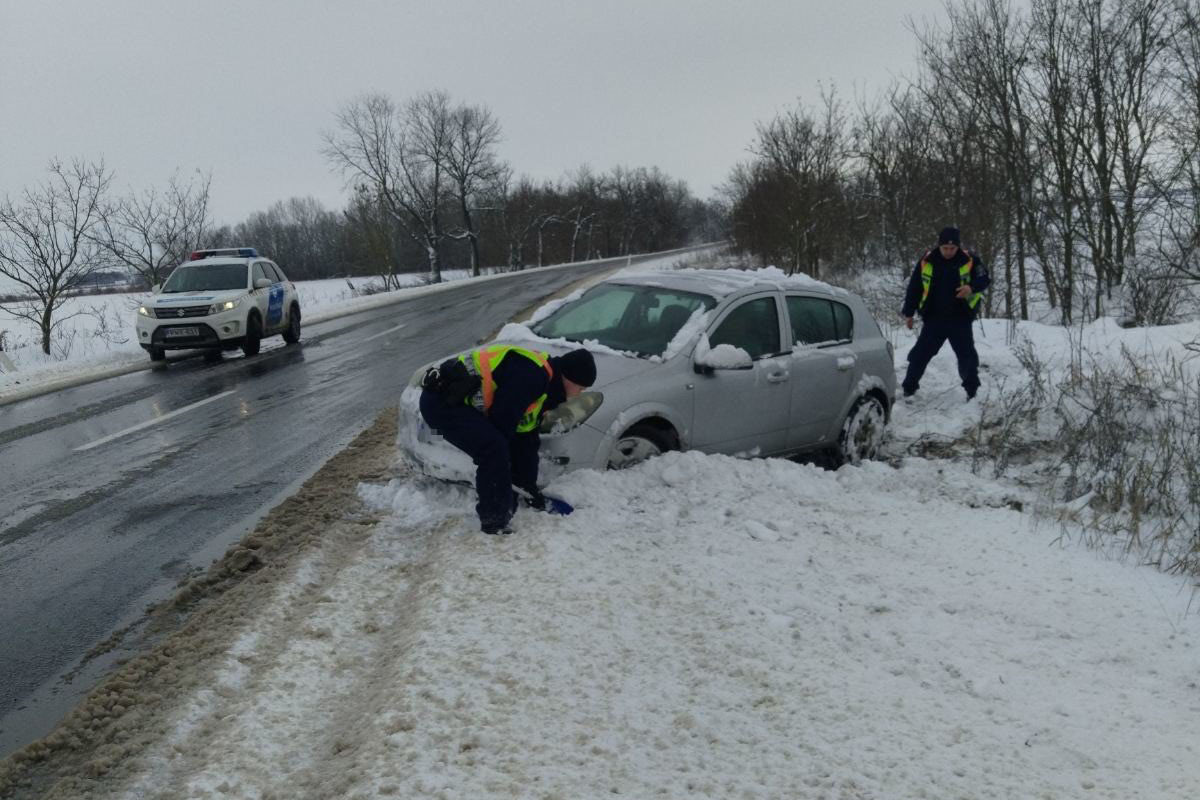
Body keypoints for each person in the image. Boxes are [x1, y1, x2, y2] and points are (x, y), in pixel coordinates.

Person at [418, 345, 597, 535]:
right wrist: (503, 483)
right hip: (441, 404)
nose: (579, 393)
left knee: (505, 446)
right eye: (581, 387)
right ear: (568, 377)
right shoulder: (532, 377)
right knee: (492, 449)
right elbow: (501, 425)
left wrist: (527, 485)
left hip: (456, 402)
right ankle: (493, 521)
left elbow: (526, 435)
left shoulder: (546, 385)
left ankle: (512, 494)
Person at [900, 226, 991, 400]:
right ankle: (908, 389)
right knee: (920, 355)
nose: (949, 252)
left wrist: (970, 287)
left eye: (952, 248)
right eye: (945, 248)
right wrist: (909, 312)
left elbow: (985, 278)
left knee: (967, 357)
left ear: (958, 246)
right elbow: (915, 288)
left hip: (961, 318)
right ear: (939, 246)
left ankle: (972, 392)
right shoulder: (927, 261)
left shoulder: (970, 259)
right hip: (934, 319)